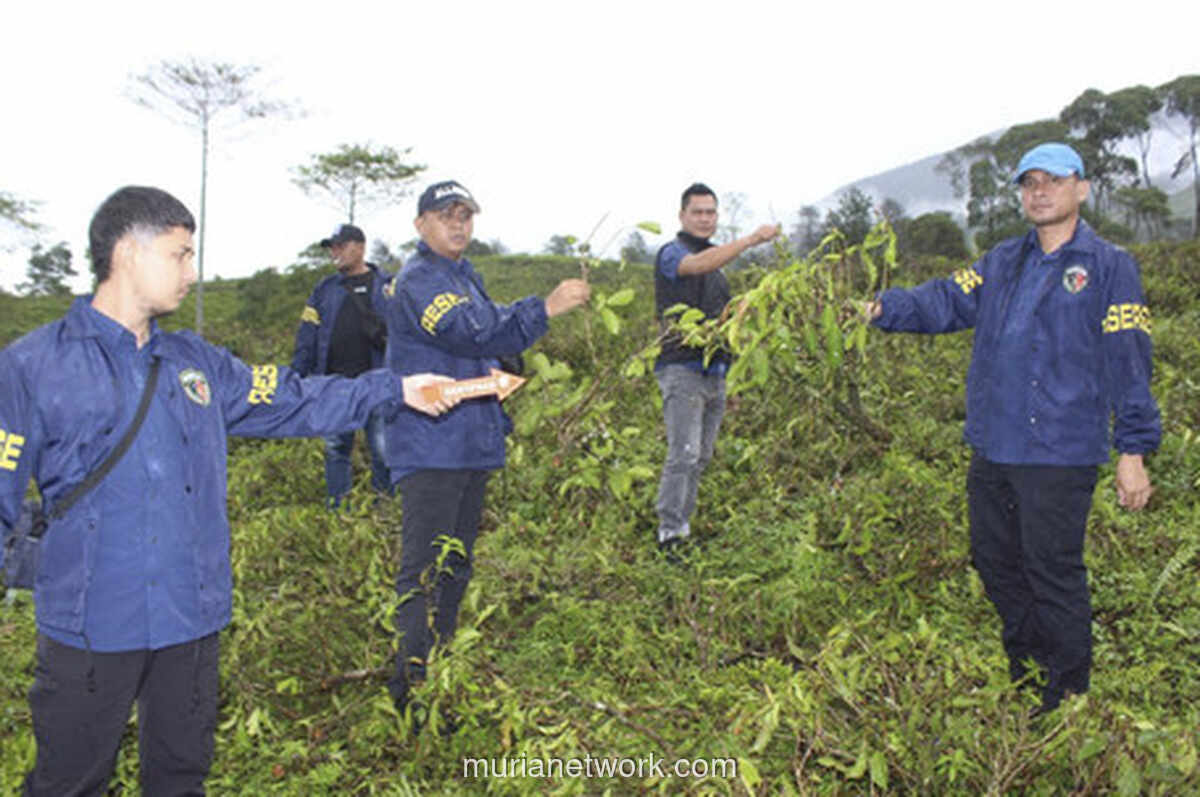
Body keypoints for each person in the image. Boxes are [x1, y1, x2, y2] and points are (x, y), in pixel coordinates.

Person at [0, 186, 454, 795]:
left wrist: (394, 389)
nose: (192, 271)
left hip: (190, 618)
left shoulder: (197, 362)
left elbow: (294, 396)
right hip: (89, 627)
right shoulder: (34, 365)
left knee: (181, 775)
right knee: (69, 781)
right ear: (129, 252)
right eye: (180, 254)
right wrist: (45, 565)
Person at [865, 142, 1160, 715]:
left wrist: (1133, 449)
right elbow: (944, 300)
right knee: (997, 565)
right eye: (1029, 183)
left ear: (1082, 188)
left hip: (1060, 451)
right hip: (995, 448)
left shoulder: (1108, 266)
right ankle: (1028, 679)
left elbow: (1129, 360)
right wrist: (880, 309)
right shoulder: (1001, 262)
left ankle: (1068, 700)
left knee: (1052, 573)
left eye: (1053, 180)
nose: (1039, 191)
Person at [379, 180, 590, 714]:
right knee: (424, 569)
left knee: (456, 566)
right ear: (420, 224)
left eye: (466, 215)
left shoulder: (463, 274)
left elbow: (483, 346)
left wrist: (501, 367)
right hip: (431, 447)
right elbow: (467, 330)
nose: (458, 224)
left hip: (470, 443)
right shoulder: (420, 280)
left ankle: (442, 672)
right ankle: (414, 689)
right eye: (447, 215)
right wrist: (545, 307)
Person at [652, 183, 779, 557]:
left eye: (711, 213)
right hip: (682, 369)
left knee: (702, 455)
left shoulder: (719, 271)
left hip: (715, 373)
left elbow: (728, 326)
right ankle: (669, 533)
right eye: (698, 212)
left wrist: (733, 379)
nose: (705, 219)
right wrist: (753, 239)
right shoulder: (672, 253)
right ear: (682, 216)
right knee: (684, 453)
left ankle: (683, 523)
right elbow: (695, 265)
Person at [291, 223, 393, 509]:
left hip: (378, 384)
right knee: (336, 449)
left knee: (383, 451)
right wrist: (297, 378)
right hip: (335, 386)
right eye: (331, 248)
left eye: (340, 246)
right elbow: (307, 335)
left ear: (359, 247)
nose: (334, 253)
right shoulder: (324, 290)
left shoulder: (388, 287)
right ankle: (338, 510)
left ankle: (383, 510)